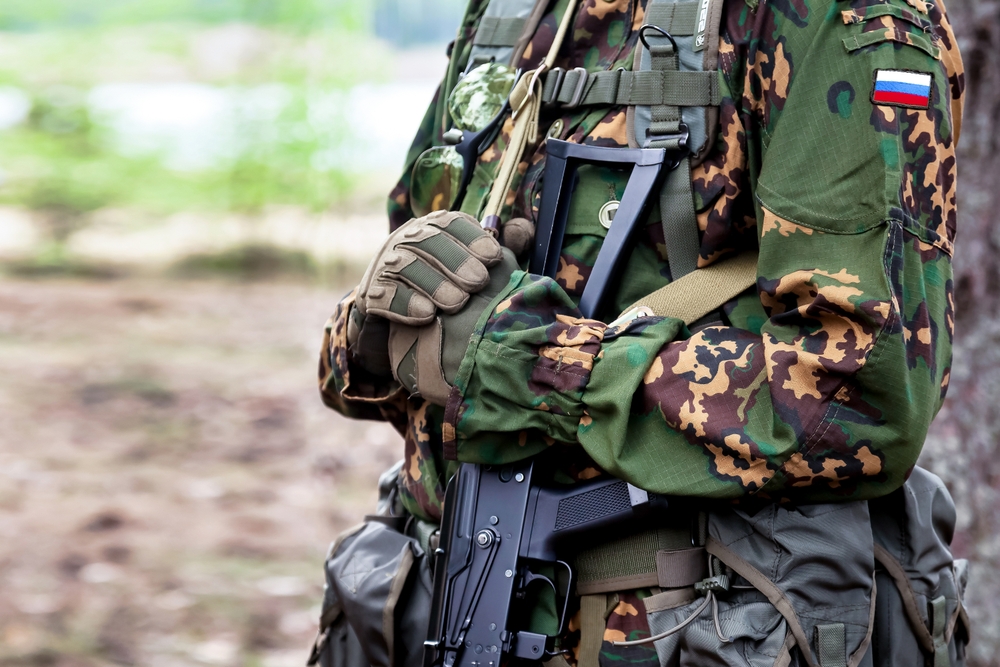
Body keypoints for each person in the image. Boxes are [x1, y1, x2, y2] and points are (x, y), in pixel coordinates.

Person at [314, 0, 968, 664]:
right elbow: (418, 335)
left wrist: (532, 361)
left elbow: (861, 400)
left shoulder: (834, 18)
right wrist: (377, 334)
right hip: (447, 605)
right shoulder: (514, 14)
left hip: (669, 625)